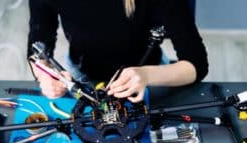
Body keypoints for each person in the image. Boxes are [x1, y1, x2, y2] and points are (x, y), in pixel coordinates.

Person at [27, 0, 208, 103]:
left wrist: (145, 75)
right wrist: (46, 76)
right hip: (80, 79)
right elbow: (37, 46)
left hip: (149, 79)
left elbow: (196, 64)